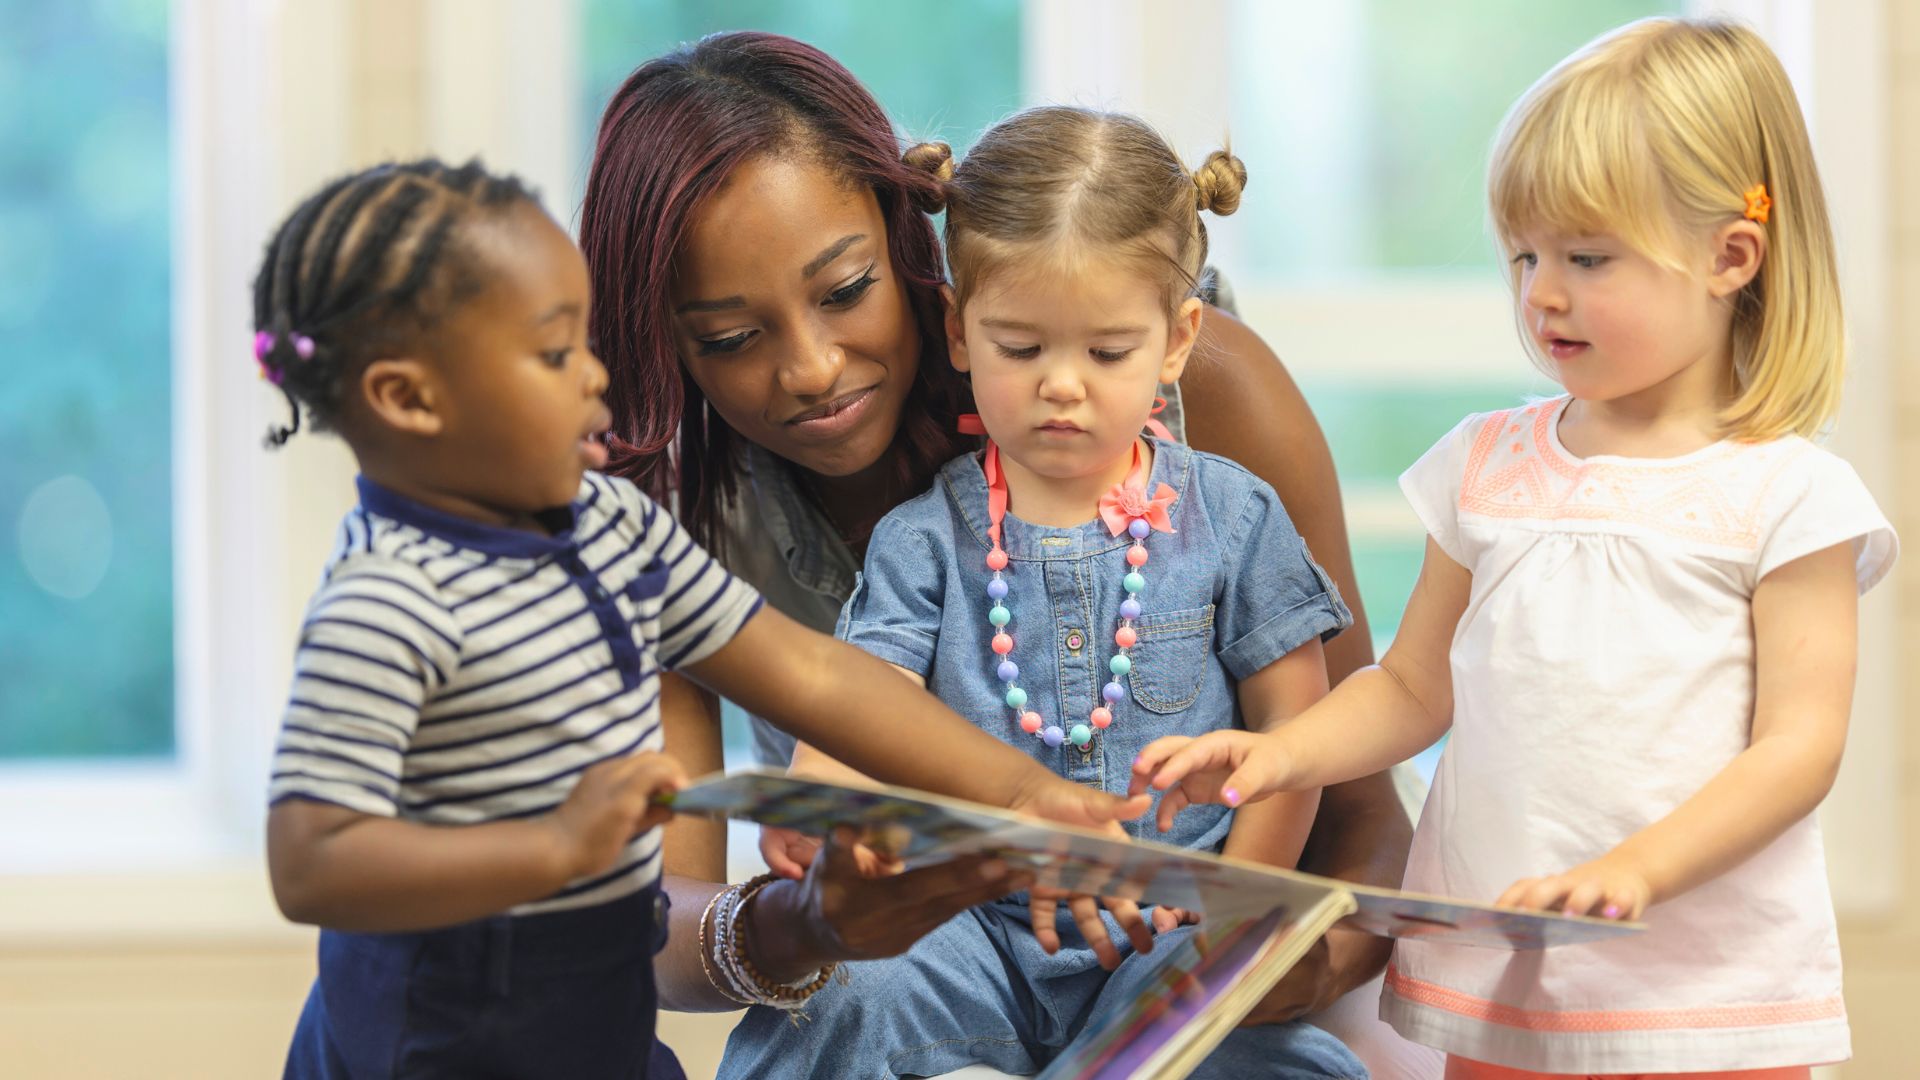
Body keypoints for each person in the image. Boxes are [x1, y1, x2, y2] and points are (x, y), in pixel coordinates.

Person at [579, 30, 1419, 1067]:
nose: (809, 369)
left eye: (844, 291)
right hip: (948, 952)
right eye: (728, 338)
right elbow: (659, 919)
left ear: (909, 253)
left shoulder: (1210, 424)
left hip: (1195, 940)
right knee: (852, 1009)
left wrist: (1273, 959)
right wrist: (805, 917)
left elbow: (1355, 795)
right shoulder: (680, 522)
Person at [251, 158, 1146, 1080]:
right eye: (557, 353)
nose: (598, 377)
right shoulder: (386, 603)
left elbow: (811, 674)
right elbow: (311, 862)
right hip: (429, 1044)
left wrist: (1018, 794)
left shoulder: (612, 526)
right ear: (409, 398)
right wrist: (555, 849)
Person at [1131, 17, 1899, 1079]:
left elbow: (1797, 751)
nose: (1540, 293)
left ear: (1731, 257)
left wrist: (1640, 869)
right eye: (1524, 254)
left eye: (1587, 258)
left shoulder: (1787, 496)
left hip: (1704, 992)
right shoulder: (1487, 466)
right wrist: (1281, 753)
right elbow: (1409, 687)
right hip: (1507, 971)